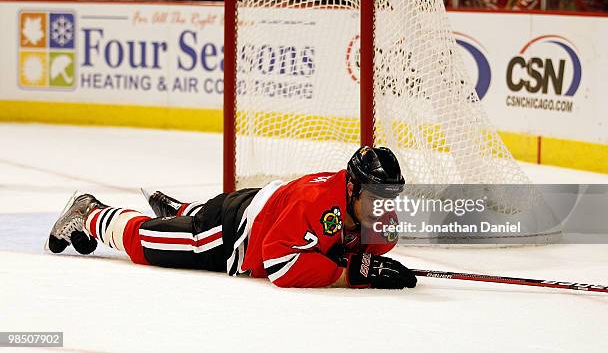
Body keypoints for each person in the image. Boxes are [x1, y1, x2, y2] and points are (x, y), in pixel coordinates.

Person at [46, 146, 418, 289]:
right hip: (231, 233)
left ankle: (181, 211)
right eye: (376, 195)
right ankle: (90, 212)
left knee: (196, 219)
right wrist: (349, 273)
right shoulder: (317, 203)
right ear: (352, 188)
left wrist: (362, 262)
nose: (384, 205)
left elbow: (334, 246)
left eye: (390, 196)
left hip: (263, 206)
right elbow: (279, 264)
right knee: (146, 244)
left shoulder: (381, 223)